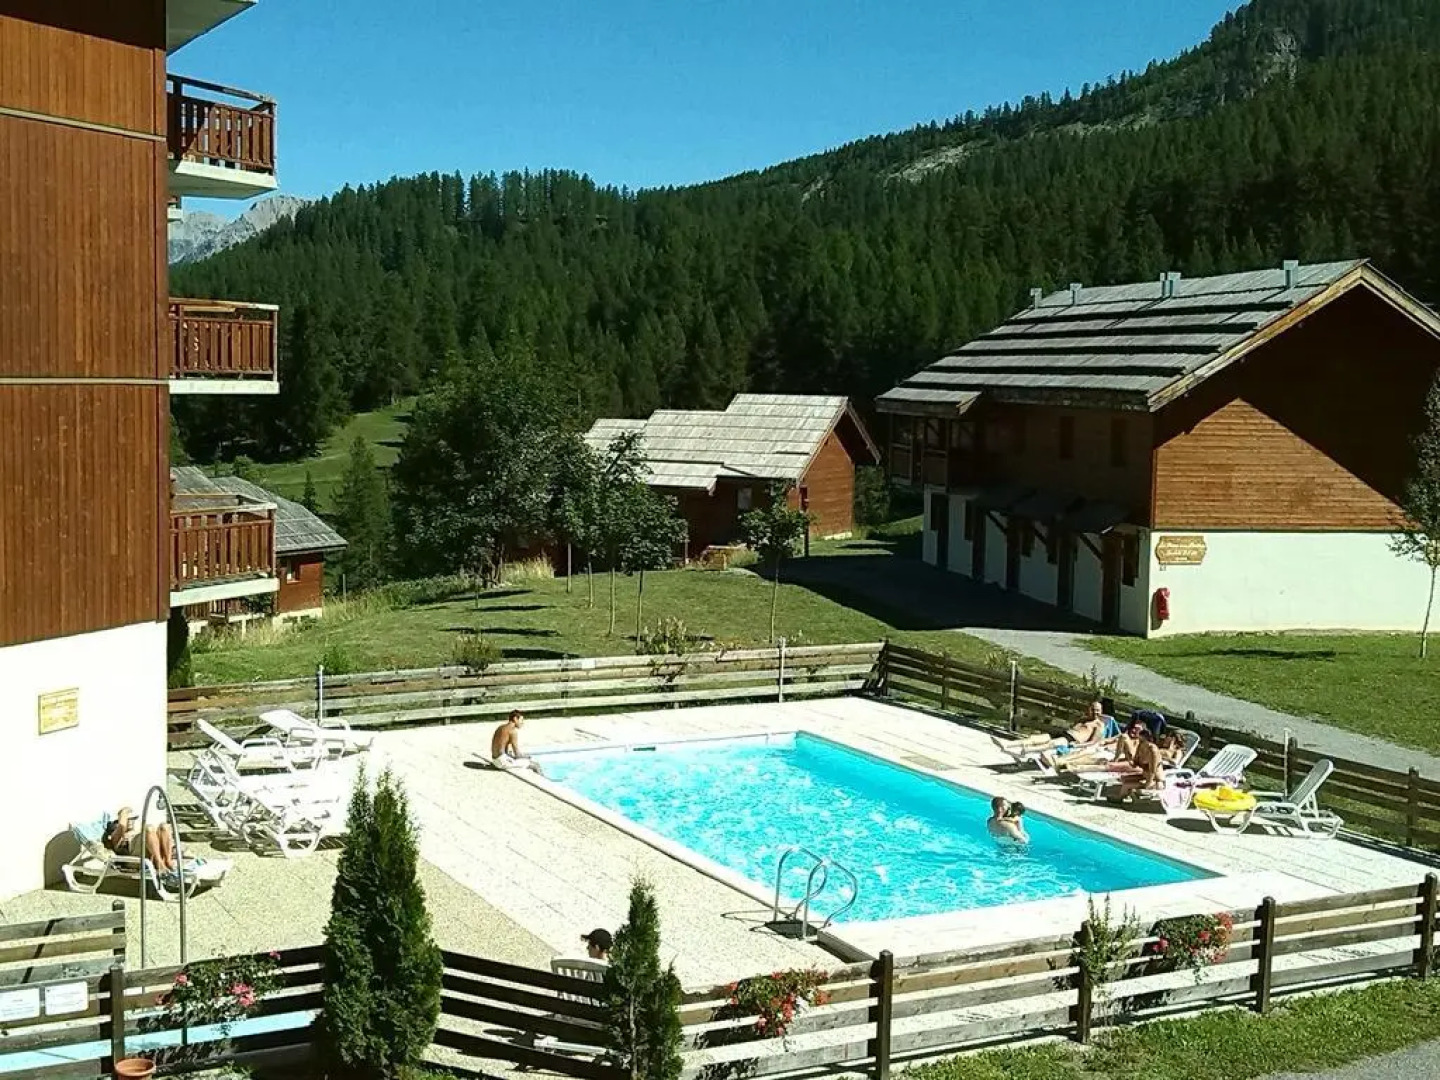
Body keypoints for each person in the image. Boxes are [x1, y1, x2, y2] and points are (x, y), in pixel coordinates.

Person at [992, 701, 1109, 760]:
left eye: (1097, 710)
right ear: (1089, 709)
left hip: (1072, 741)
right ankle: (1008, 744)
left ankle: (1024, 752)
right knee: (1036, 738)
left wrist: (1077, 746)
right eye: (1093, 709)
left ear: (1101, 711)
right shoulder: (1083, 719)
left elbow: (1094, 742)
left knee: (1052, 744)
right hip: (1065, 733)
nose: (1095, 712)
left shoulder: (1099, 725)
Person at [103, 807, 177, 875]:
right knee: (149, 829)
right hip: (136, 858)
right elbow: (121, 827)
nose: (130, 821)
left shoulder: (137, 831)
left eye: (133, 818)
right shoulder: (116, 835)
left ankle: (168, 861)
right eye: (127, 819)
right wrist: (123, 814)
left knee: (164, 827)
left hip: (151, 854)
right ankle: (159, 862)